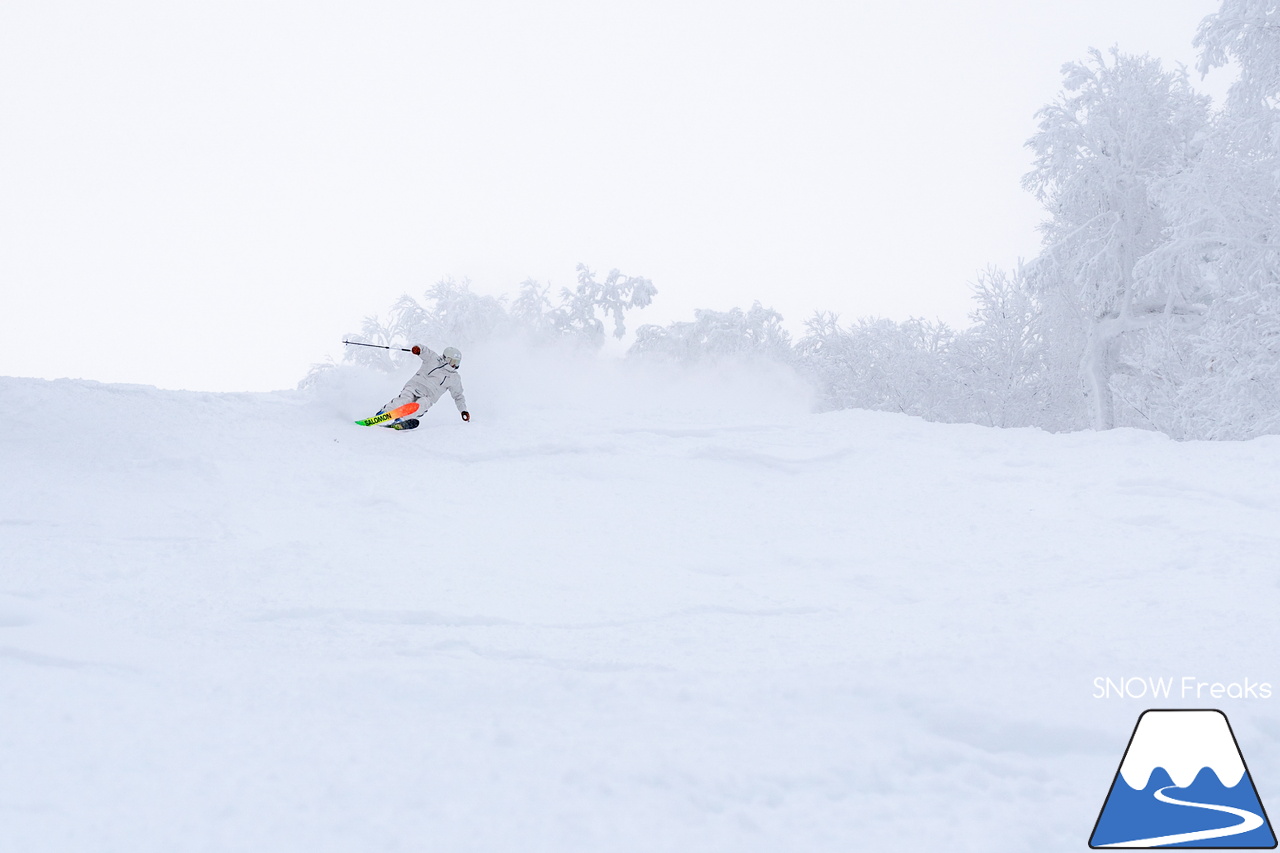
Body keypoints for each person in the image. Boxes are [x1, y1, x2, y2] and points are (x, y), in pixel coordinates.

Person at [381, 345, 470, 423]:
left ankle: (403, 420)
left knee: (420, 405)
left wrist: (463, 410)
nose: (454, 365)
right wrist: (418, 349)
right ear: (446, 358)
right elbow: (425, 350)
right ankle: (384, 413)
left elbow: (458, 396)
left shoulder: (454, 377)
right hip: (414, 386)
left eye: (457, 362)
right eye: (453, 361)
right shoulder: (433, 359)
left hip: (428, 396)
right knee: (405, 399)